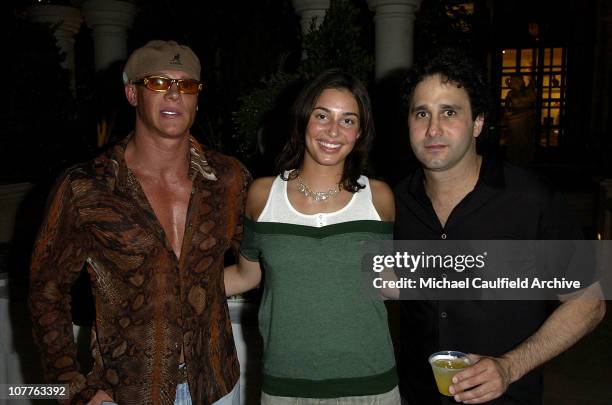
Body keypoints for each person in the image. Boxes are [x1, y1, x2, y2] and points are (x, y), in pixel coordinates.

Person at [29, 40, 249, 405]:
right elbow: (46, 291)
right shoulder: (87, 187)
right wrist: (73, 389)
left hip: (216, 386)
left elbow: (266, 254)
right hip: (126, 393)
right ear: (132, 93)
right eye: (159, 83)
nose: (175, 94)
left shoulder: (228, 179)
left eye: (187, 85)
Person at [394, 48, 605, 404]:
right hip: (417, 395)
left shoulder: (530, 199)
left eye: (449, 112)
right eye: (422, 113)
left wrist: (509, 366)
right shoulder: (397, 201)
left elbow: (589, 302)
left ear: (478, 122)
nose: (433, 128)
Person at [224, 69, 400, 404]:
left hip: (371, 386)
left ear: (360, 132)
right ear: (304, 119)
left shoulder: (378, 198)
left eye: (348, 120)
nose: (333, 130)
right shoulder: (263, 196)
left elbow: (386, 279)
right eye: (322, 116)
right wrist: (173, 288)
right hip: (286, 388)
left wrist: (491, 273)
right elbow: (246, 275)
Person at [503, 75, 537, 165]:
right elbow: (506, 107)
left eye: (515, 81)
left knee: (524, 139)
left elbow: (533, 102)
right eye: (513, 82)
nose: (513, 83)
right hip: (514, 120)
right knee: (514, 139)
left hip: (524, 118)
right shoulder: (510, 93)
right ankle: (514, 159)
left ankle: (525, 159)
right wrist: (507, 113)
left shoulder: (527, 92)